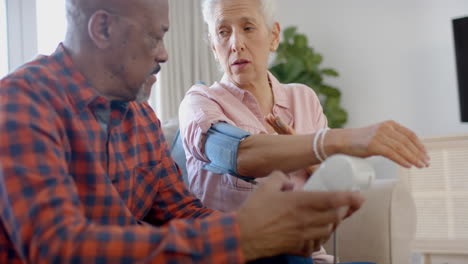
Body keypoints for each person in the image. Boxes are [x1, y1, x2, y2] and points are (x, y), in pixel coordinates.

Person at [0, 0, 367, 263]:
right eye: (154, 38)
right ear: (103, 28)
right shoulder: (23, 101)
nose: (164, 55)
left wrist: (274, 232)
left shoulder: (141, 119)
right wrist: (241, 236)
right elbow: (57, 246)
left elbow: (184, 212)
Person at [178, 0, 429, 261]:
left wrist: (303, 150)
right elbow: (235, 153)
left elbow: (340, 190)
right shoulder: (200, 102)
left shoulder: (303, 98)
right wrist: (324, 143)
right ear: (213, 46)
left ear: (274, 36)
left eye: (248, 28)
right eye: (223, 32)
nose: (235, 43)